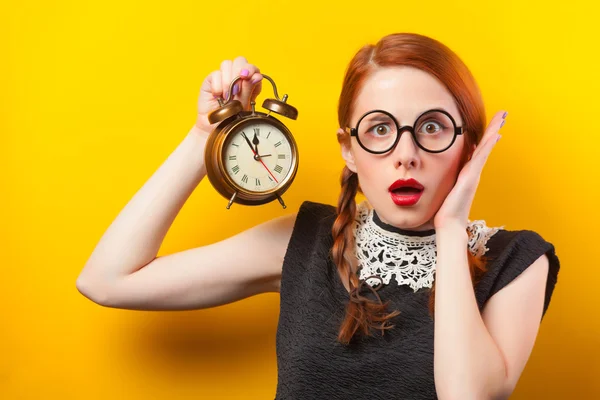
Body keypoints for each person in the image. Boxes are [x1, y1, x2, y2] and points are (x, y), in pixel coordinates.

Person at [76, 32, 560, 399]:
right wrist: (203, 136)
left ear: (470, 148)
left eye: (432, 127)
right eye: (379, 129)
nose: (406, 154)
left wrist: (451, 230)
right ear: (349, 150)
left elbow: (467, 395)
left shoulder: (516, 259)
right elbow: (108, 279)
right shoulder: (306, 241)